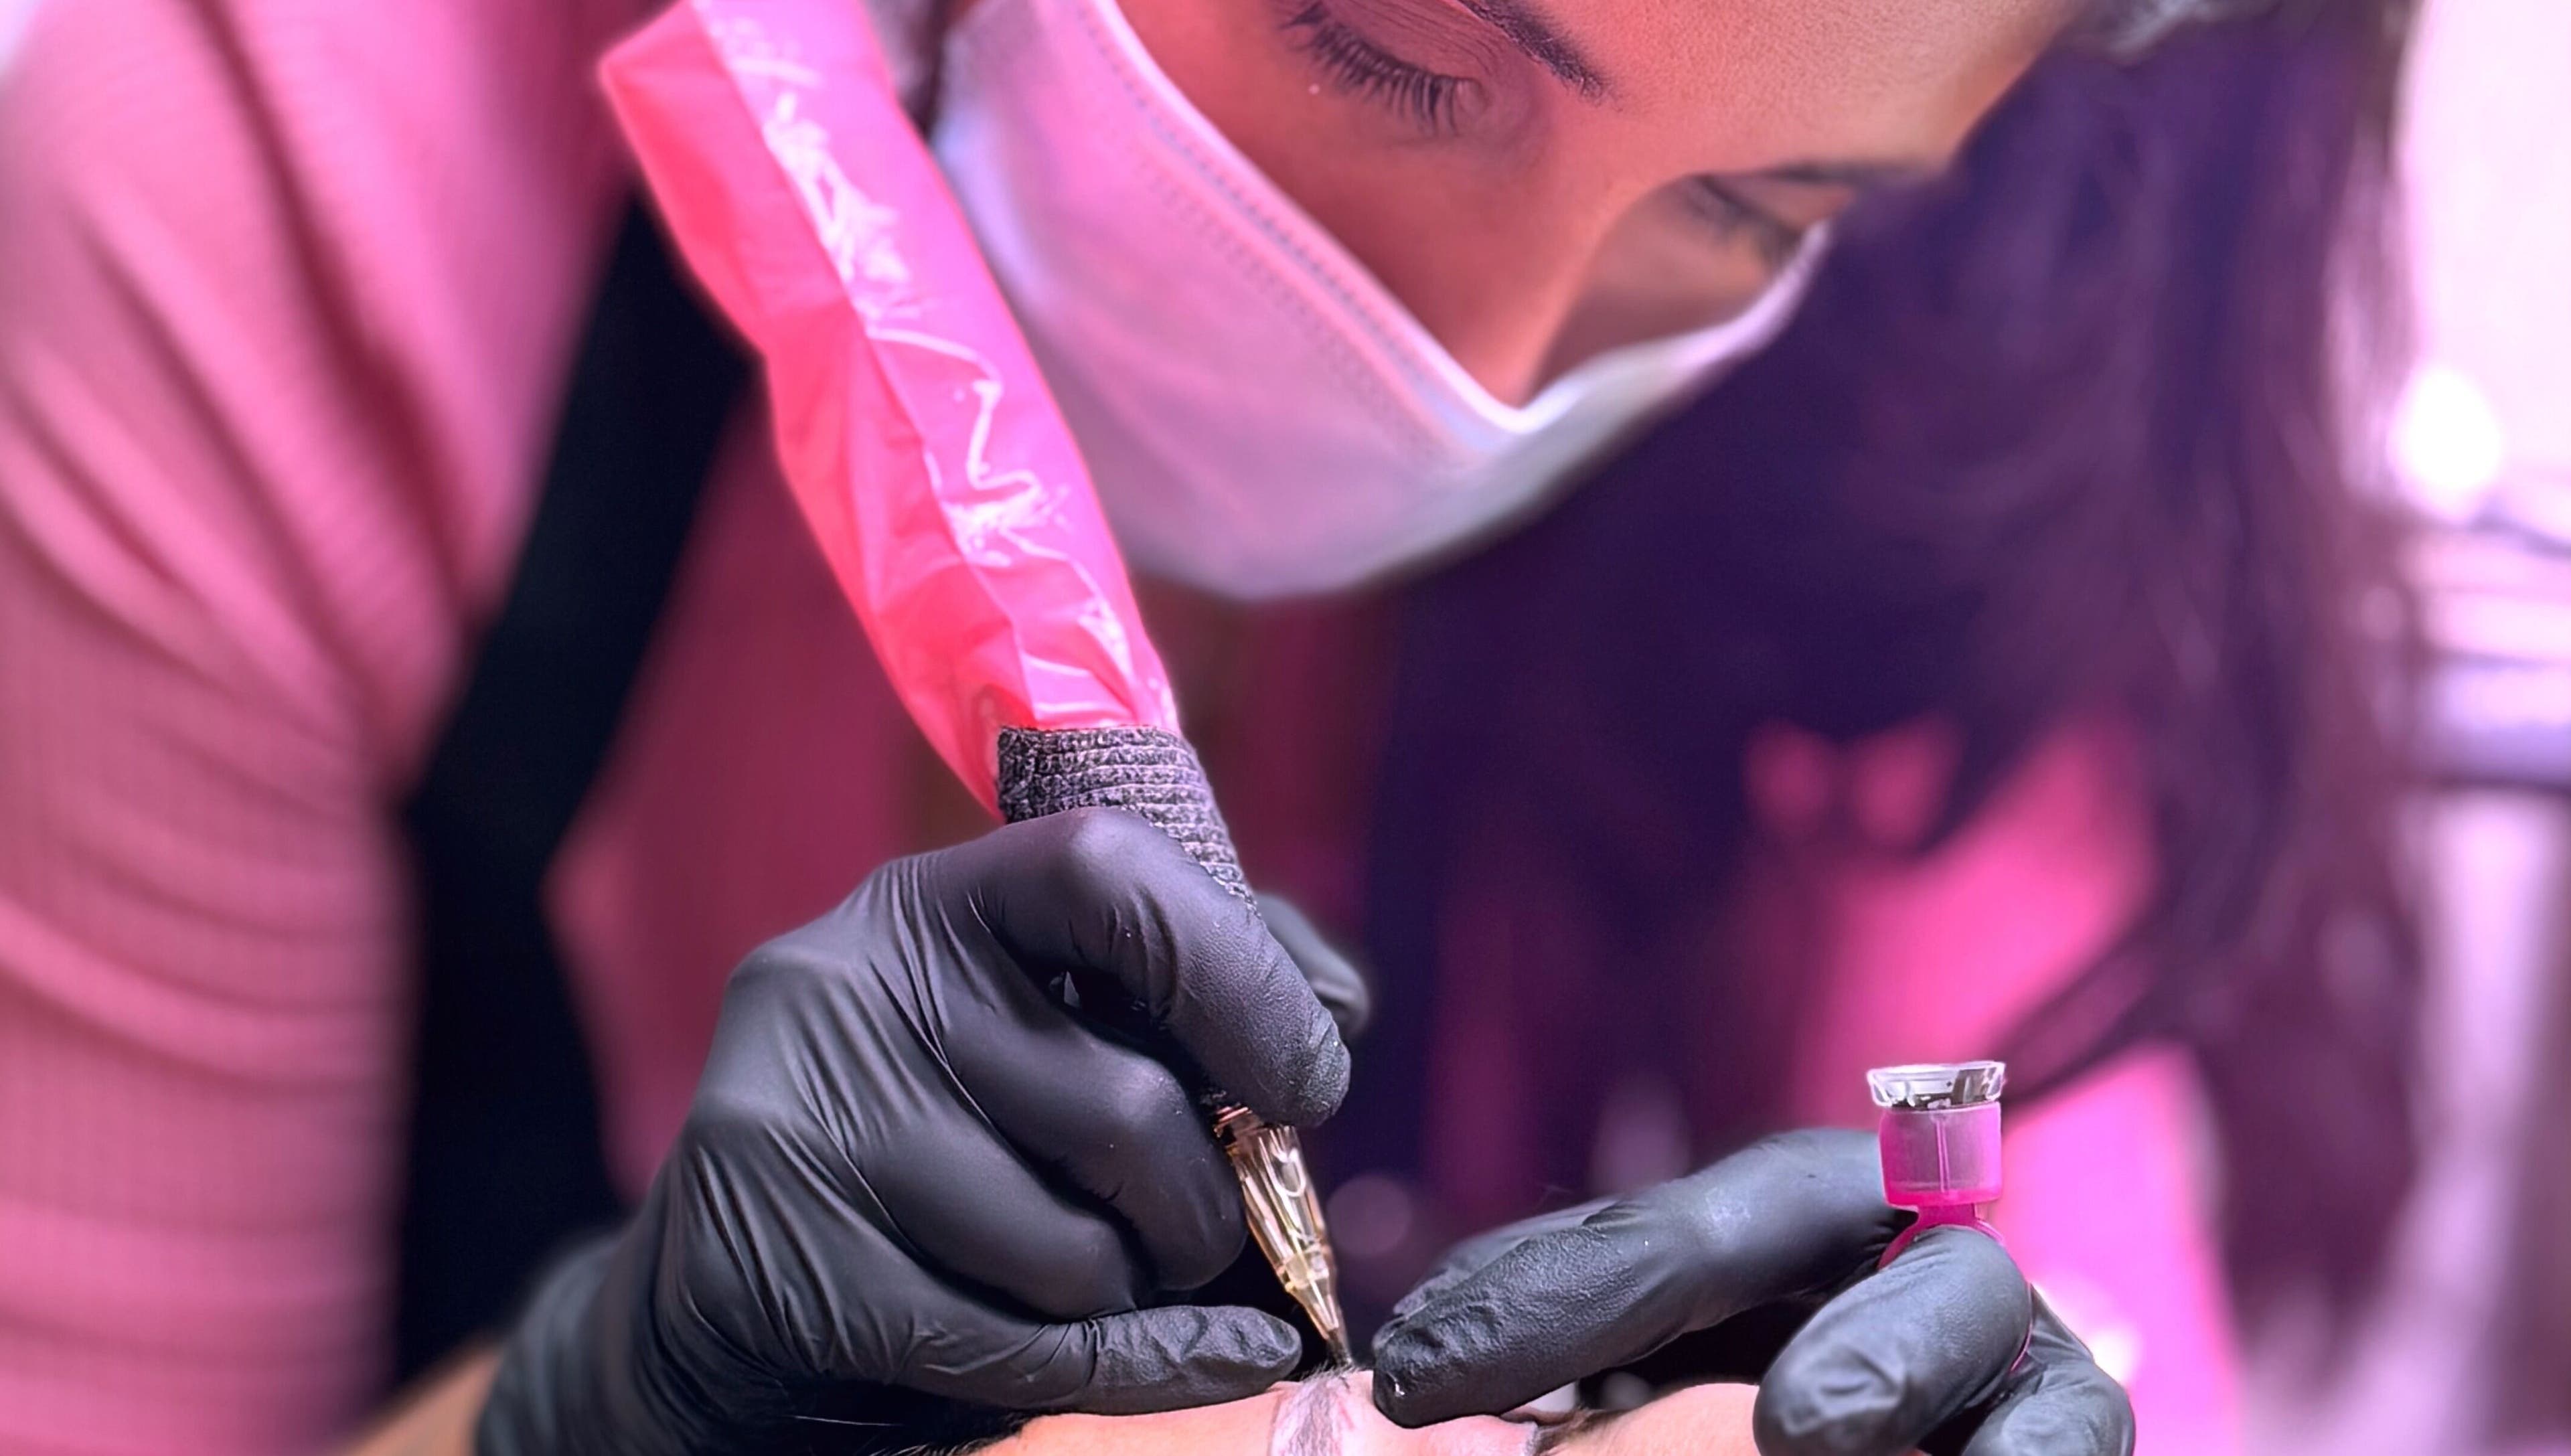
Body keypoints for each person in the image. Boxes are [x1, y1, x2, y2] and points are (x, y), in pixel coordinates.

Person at [0, 0, 2378, 1453]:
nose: (1491, 366)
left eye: (1751, 215)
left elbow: (2030, 1220)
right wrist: (580, 1423)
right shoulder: (292, 175)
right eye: (1397, 42)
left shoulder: (1966, 427)